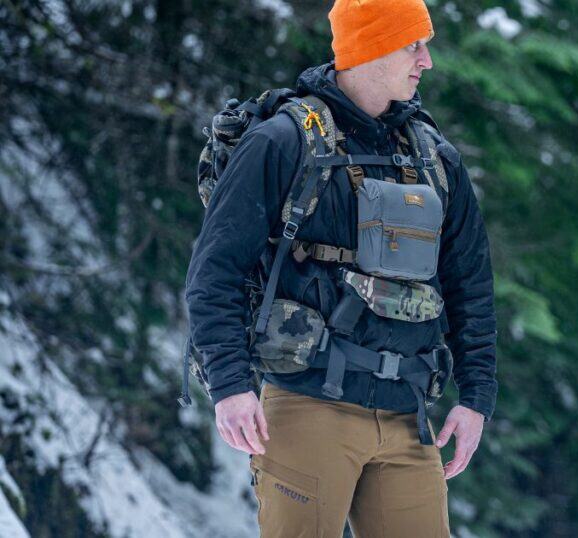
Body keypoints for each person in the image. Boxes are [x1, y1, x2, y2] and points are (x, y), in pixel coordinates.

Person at [183, 0, 497, 535]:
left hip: (407, 415)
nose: (427, 61)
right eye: (413, 46)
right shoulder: (282, 141)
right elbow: (215, 273)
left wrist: (476, 397)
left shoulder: (433, 158)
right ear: (372, 46)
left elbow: (470, 286)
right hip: (308, 405)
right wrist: (229, 386)